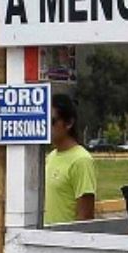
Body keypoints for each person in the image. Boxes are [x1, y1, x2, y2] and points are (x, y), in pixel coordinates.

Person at [45, 95, 97, 224]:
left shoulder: (81, 160)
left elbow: (85, 217)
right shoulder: (51, 157)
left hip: (66, 239)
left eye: (51, 121)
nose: (46, 126)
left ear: (68, 123)